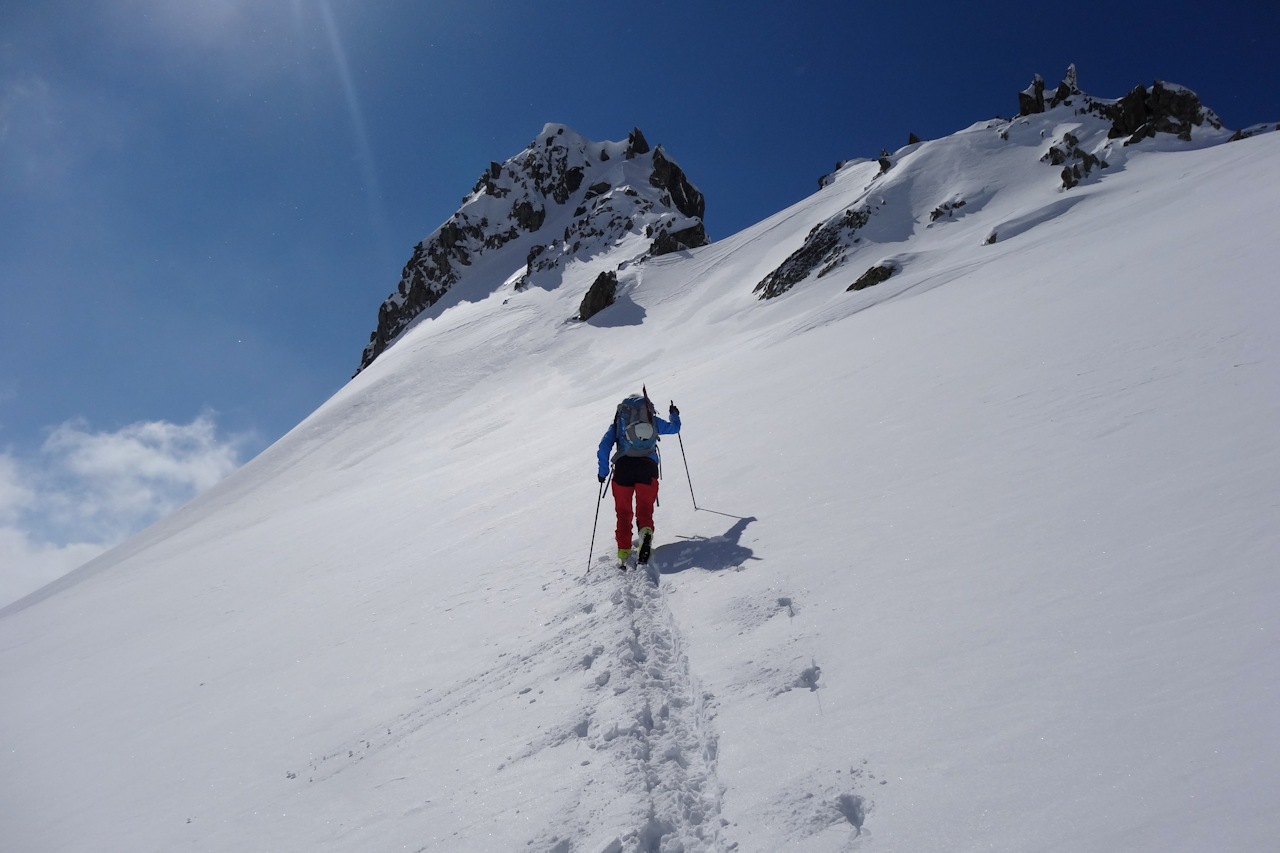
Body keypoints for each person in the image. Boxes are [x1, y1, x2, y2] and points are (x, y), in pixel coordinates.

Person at [597, 391, 681, 566]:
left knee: (623, 512)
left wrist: (602, 473)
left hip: (623, 469)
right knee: (644, 508)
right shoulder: (651, 420)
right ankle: (645, 534)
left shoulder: (619, 423)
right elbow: (675, 429)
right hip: (647, 467)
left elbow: (603, 446)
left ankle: (624, 551)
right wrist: (674, 414)